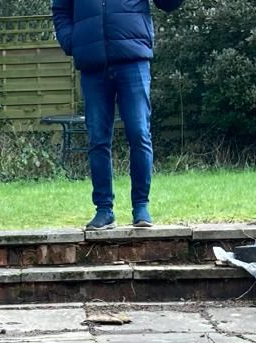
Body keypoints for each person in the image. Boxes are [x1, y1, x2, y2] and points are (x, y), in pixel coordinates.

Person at [51, 0, 183, 230]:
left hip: (133, 58)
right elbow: (61, 9)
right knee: (97, 140)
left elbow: (168, 3)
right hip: (92, 62)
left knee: (139, 133)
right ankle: (104, 210)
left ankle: (141, 207)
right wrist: (71, 41)